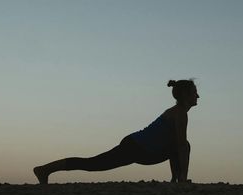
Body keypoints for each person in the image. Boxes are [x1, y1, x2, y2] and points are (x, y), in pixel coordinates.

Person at [33, 79, 199, 184]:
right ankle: (44, 169)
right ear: (186, 95)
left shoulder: (176, 112)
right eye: (194, 93)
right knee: (92, 164)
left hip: (139, 147)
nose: (197, 96)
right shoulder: (179, 113)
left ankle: (177, 180)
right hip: (135, 148)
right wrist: (184, 178)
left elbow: (177, 146)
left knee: (180, 146)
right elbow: (181, 146)